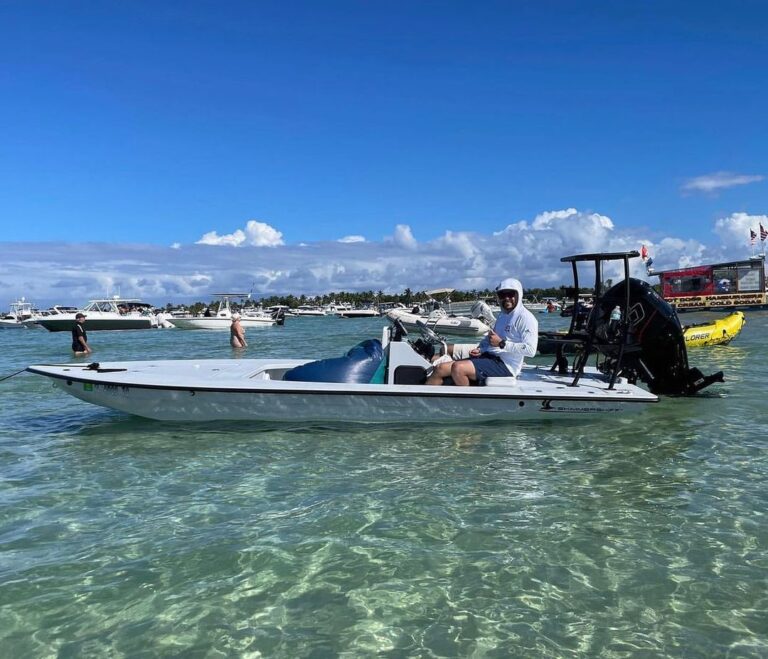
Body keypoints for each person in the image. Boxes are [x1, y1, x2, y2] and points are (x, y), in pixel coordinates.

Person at [426, 278, 538, 386]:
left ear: (519, 295)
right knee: (440, 368)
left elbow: (530, 350)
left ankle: (466, 404)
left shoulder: (526, 318)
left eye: (510, 294)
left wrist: (501, 343)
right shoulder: (503, 315)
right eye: (502, 295)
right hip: (490, 356)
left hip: (506, 365)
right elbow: (491, 339)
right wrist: (481, 349)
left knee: (458, 368)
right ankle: (421, 399)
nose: (506, 298)